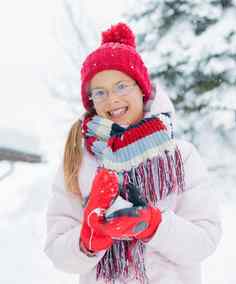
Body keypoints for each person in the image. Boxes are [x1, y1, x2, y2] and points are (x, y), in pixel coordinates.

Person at [43, 22, 222, 284]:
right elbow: (57, 250)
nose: (112, 99)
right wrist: (87, 241)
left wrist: (153, 225)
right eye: (100, 92)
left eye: (121, 86)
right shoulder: (79, 163)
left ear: (141, 88)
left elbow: (204, 241)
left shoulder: (181, 156)